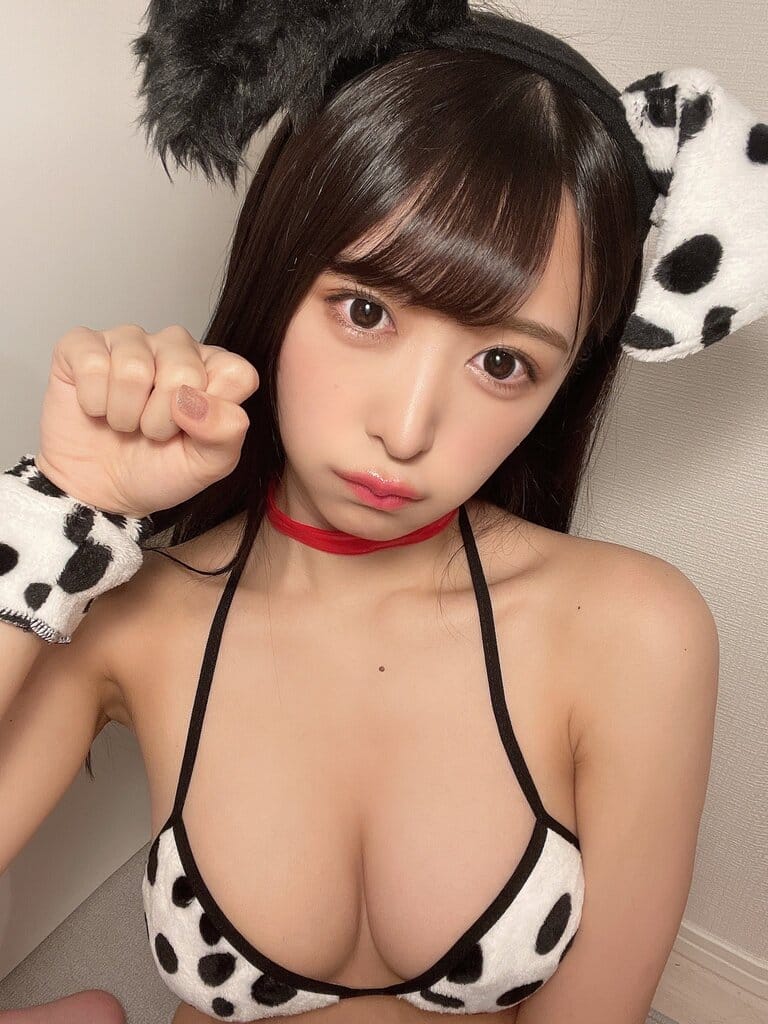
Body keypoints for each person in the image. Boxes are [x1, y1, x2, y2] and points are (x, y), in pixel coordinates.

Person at [6, 2, 756, 1022]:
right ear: (280, 269)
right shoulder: (136, 618)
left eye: (503, 363)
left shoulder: (636, 631)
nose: (407, 431)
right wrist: (63, 503)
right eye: (366, 311)